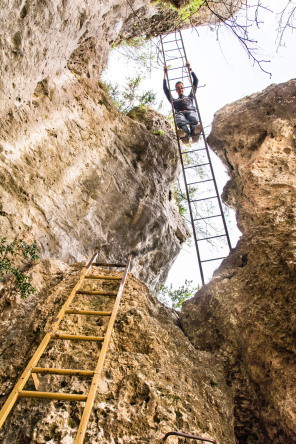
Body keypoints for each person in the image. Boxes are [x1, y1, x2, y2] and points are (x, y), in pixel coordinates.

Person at [163, 62, 202, 144]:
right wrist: (165, 74)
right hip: (180, 113)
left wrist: (190, 69)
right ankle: (185, 136)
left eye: (181, 87)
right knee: (180, 121)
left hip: (190, 110)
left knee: (193, 119)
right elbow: (165, 89)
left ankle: (195, 134)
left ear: (183, 88)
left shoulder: (190, 97)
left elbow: (196, 81)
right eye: (178, 88)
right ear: (176, 90)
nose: (180, 89)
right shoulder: (174, 101)